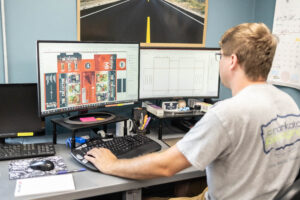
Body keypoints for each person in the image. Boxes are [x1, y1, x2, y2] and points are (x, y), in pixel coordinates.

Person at [84, 23, 300, 200]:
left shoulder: (227, 114)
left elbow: (166, 167)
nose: (220, 62)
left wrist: (112, 164)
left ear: (232, 61)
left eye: (221, 56)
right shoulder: (288, 103)